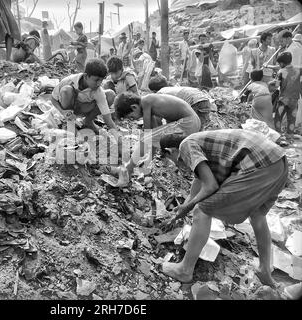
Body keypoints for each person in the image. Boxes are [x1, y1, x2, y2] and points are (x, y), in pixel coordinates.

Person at [159, 129, 288, 287]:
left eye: (172, 160)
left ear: (170, 151)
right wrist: (182, 210)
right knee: (258, 216)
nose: (178, 164)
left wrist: (188, 207)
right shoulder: (203, 144)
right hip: (278, 163)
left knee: (202, 210)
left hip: (259, 164)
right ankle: (265, 272)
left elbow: (210, 186)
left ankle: (185, 270)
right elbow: (197, 186)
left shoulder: (185, 146)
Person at [105, 92, 201, 186]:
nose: (133, 120)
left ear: (134, 107)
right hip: (191, 122)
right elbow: (155, 133)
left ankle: (128, 169)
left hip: (187, 123)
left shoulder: (146, 101)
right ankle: (145, 162)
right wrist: (148, 157)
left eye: (131, 117)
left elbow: (148, 132)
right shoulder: (149, 105)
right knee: (151, 137)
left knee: (145, 138)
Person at [50, 58, 118, 134]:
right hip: (69, 110)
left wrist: (118, 137)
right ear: (86, 76)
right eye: (96, 80)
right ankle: (70, 124)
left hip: (84, 109)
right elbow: (53, 98)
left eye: (101, 81)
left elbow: (107, 118)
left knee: (110, 95)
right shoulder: (69, 81)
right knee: (67, 90)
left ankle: (88, 121)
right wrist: (62, 111)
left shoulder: (98, 91)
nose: (99, 84)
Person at [274, 52, 301, 140]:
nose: (279, 65)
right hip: (294, 99)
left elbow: (277, 85)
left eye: (279, 63)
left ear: (282, 63)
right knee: (292, 118)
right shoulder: (298, 70)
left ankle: (278, 135)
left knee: (278, 117)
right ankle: (290, 135)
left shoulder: (281, 71)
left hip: (283, 99)